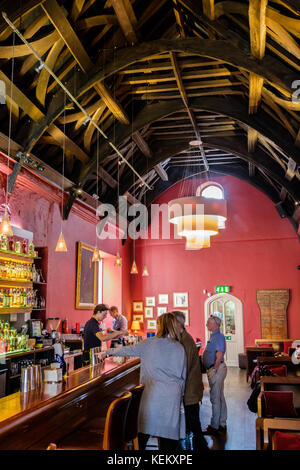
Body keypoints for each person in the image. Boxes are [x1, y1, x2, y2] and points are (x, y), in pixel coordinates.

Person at [105, 312, 186, 452]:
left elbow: (126, 350)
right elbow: (183, 376)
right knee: (168, 440)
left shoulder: (148, 343)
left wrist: (107, 352)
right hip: (172, 396)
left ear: (160, 326)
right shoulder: (179, 347)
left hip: (151, 393)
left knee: (143, 433)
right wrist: (181, 396)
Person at [173, 311, 209, 450]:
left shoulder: (185, 341)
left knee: (193, 422)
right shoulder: (183, 339)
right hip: (191, 389)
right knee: (193, 422)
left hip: (190, 391)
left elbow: (183, 368)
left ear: (177, 324)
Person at [202, 315, 227, 436]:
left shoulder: (218, 336)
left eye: (208, 322)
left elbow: (219, 354)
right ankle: (221, 423)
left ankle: (214, 426)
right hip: (216, 368)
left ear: (214, 324)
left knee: (215, 398)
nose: (206, 324)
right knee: (219, 397)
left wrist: (214, 369)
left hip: (216, 369)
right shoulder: (215, 335)